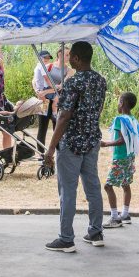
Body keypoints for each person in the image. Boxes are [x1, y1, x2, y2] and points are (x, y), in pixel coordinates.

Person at [43, 41, 108, 252]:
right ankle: (95, 231)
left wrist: (51, 148)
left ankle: (66, 238)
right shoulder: (100, 81)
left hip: (71, 143)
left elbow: (63, 117)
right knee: (93, 188)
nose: (68, 59)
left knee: (68, 191)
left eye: (71, 56)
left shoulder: (73, 83)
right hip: (91, 141)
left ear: (78, 59)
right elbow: (97, 110)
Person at [102, 91, 139, 229]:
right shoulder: (134, 120)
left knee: (108, 186)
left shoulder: (119, 119)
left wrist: (105, 143)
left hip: (120, 157)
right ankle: (125, 214)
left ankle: (115, 217)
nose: (118, 104)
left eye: (119, 101)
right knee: (125, 184)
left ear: (122, 103)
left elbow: (121, 140)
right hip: (130, 157)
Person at [33, 48, 66, 145]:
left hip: (52, 97)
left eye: (48, 58)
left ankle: (57, 153)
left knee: (57, 127)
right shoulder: (43, 67)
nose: (46, 60)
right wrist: (38, 91)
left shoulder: (68, 69)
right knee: (42, 127)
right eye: (45, 58)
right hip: (45, 99)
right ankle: (41, 154)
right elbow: (41, 80)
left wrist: (53, 89)